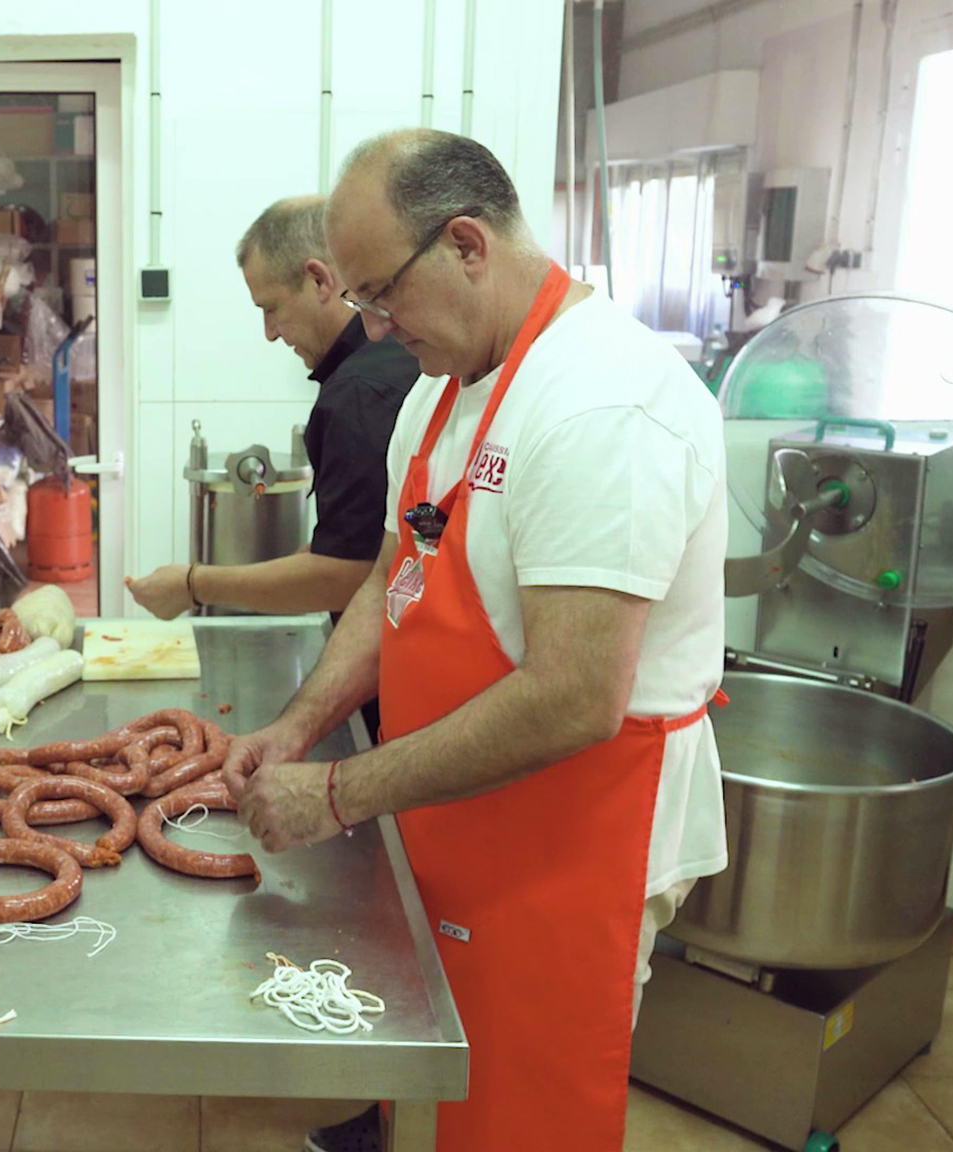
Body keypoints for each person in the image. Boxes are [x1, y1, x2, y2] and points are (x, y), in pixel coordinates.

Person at [222, 130, 729, 1151]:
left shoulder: (599, 402)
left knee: (522, 1115)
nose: (368, 322)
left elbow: (573, 695)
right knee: (445, 1107)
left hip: (574, 833)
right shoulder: (437, 389)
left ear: (464, 244)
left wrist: (334, 794)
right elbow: (387, 581)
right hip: (460, 814)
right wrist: (297, 728)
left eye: (379, 293)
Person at [124, 195, 419, 624]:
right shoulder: (386, 360)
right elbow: (357, 546)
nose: (270, 333)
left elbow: (348, 576)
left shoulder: (359, 392)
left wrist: (192, 585)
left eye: (271, 308)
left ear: (319, 281)